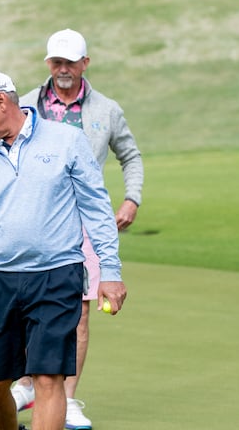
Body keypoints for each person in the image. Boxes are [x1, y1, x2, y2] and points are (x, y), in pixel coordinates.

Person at [0, 68, 127, 430]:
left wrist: (109, 271)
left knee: (48, 377)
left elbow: (96, 208)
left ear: (1, 101)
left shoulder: (66, 141)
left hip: (57, 276)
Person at [10, 28, 144, 430]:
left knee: (78, 313)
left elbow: (131, 156)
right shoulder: (27, 104)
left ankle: (65, 400)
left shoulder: (106, 110)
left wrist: (131, 199)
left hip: (84, 220)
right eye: (56, 61)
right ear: (48, 62)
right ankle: (29, 383)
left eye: (70, 62)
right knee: (22, 304)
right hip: (30, 217)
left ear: (86, 63)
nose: (62, 69)